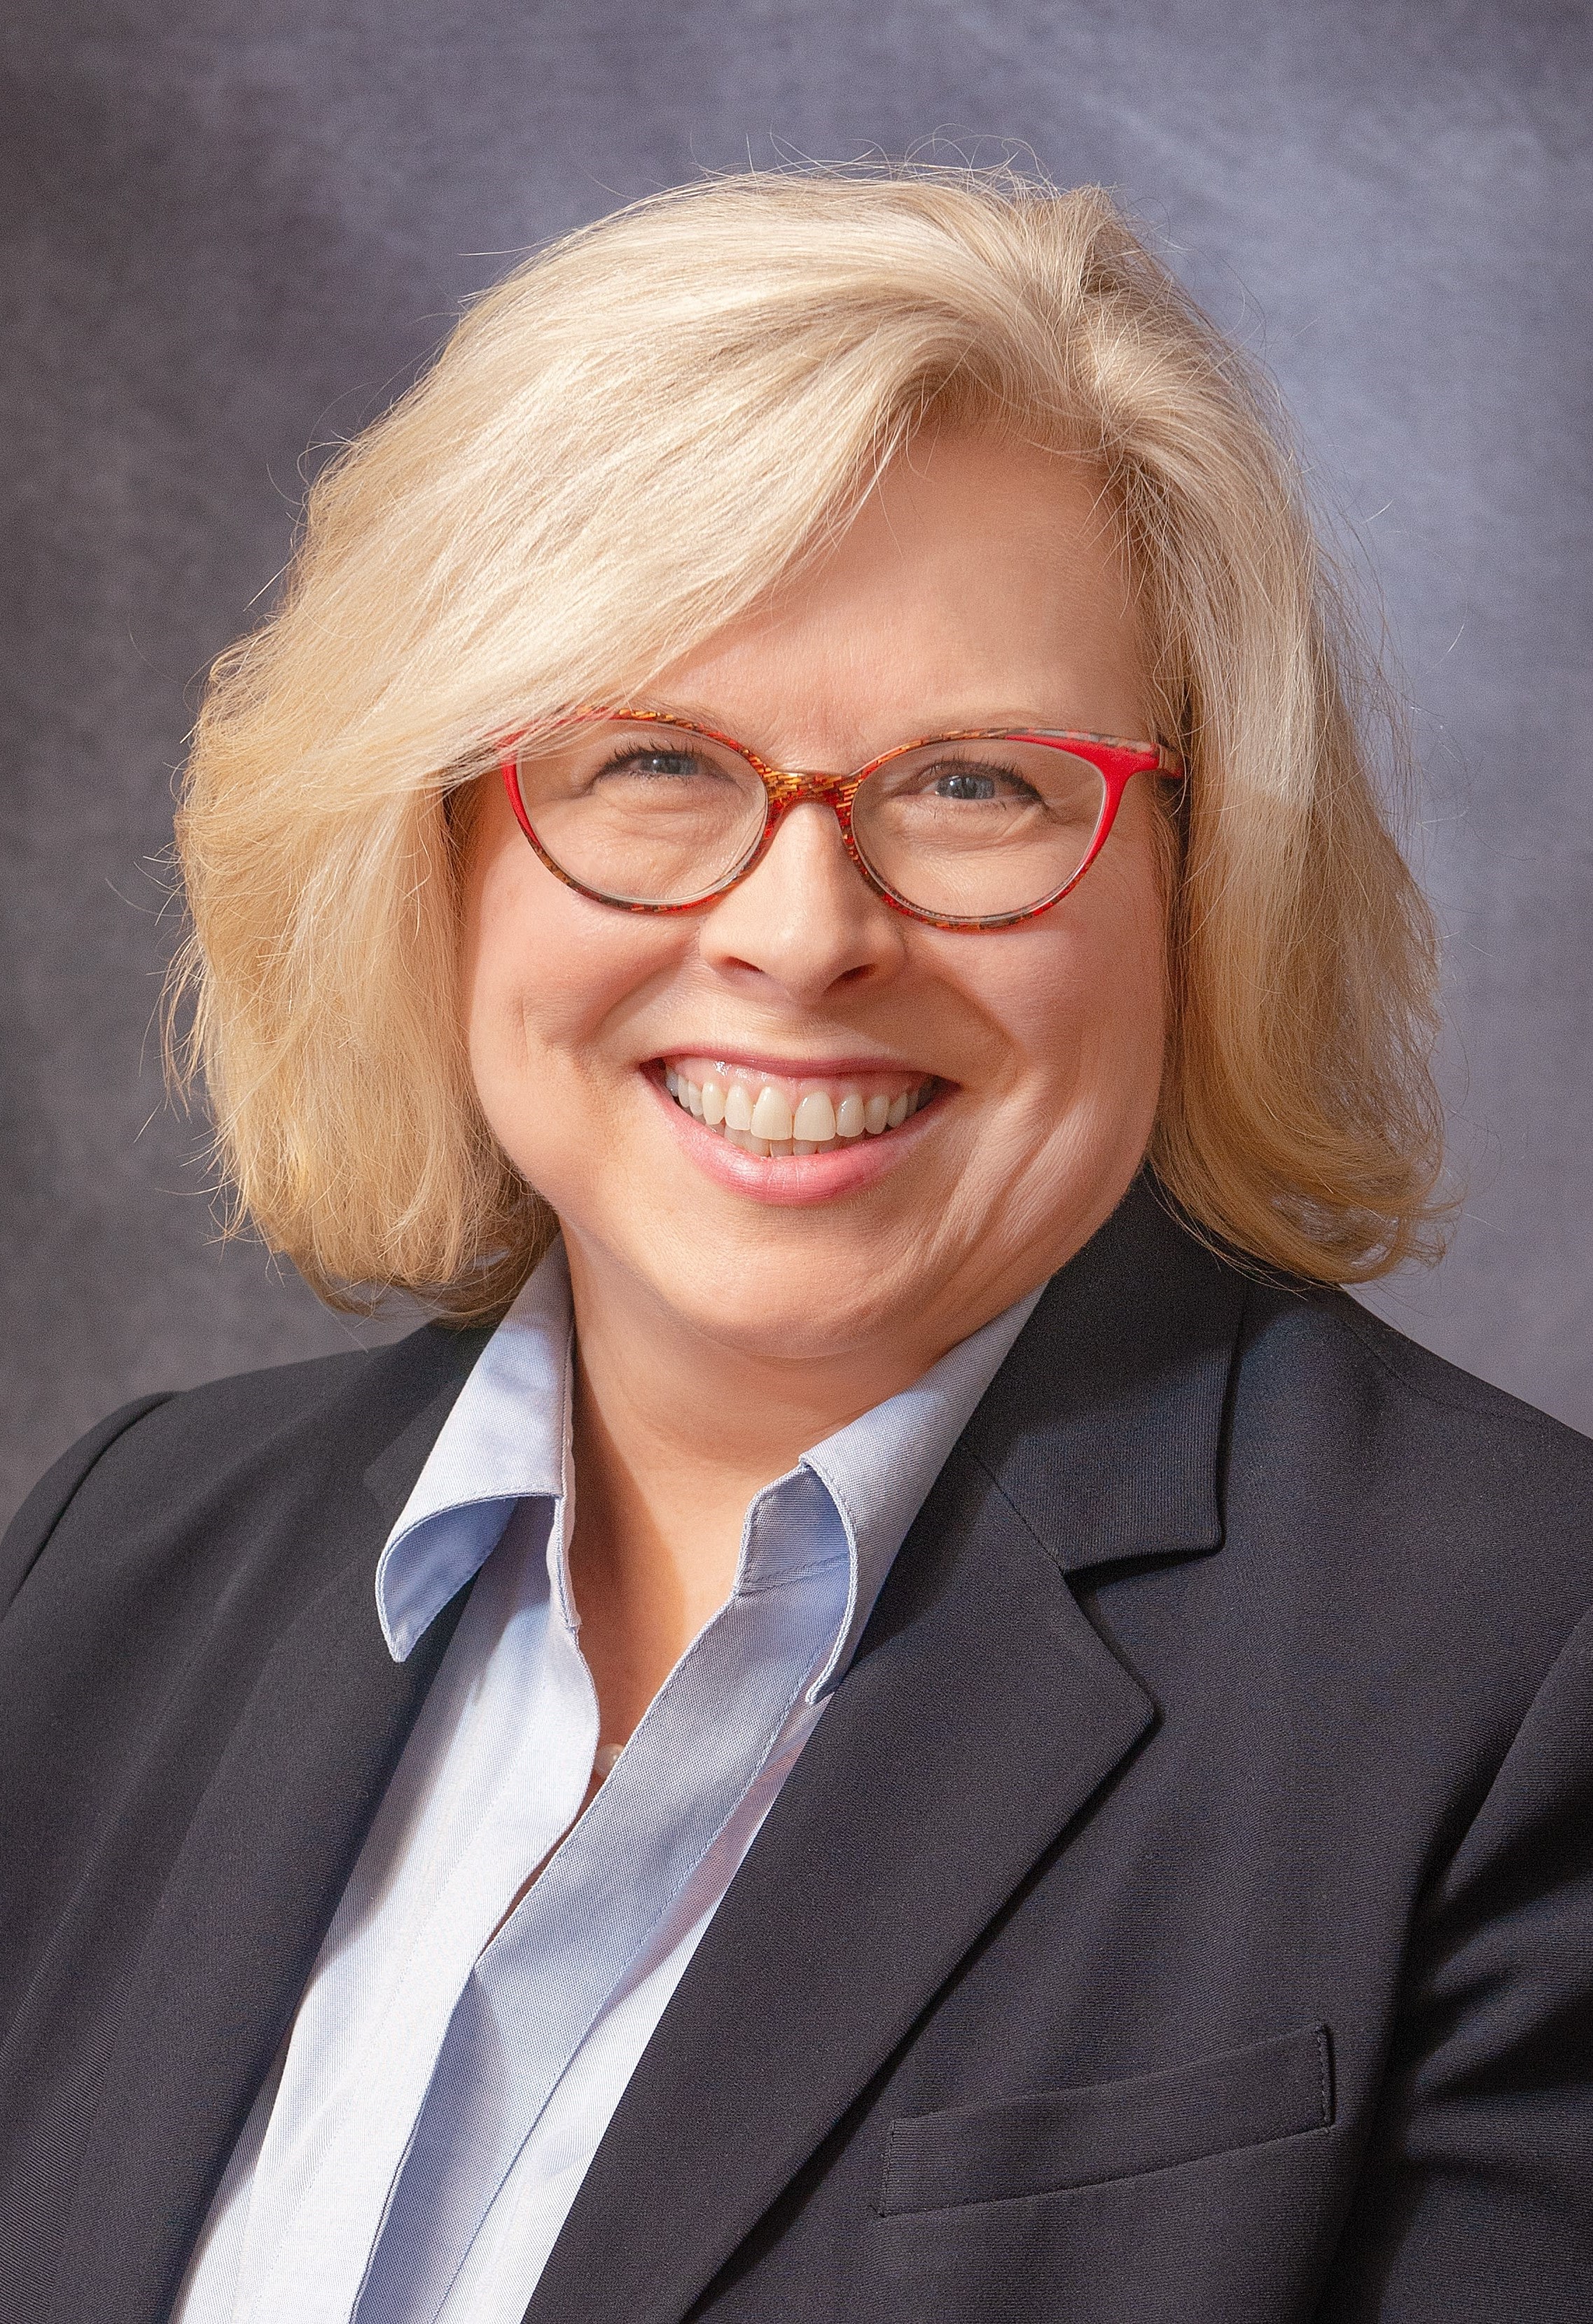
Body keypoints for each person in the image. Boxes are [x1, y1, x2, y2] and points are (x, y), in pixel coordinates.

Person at [1, 167, 1589, 2324]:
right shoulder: (112, 1564)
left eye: (977, 786)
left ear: (1196, 883)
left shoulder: (1513, 1677)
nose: (798, 933)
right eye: (649, 758)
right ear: (433, 845)